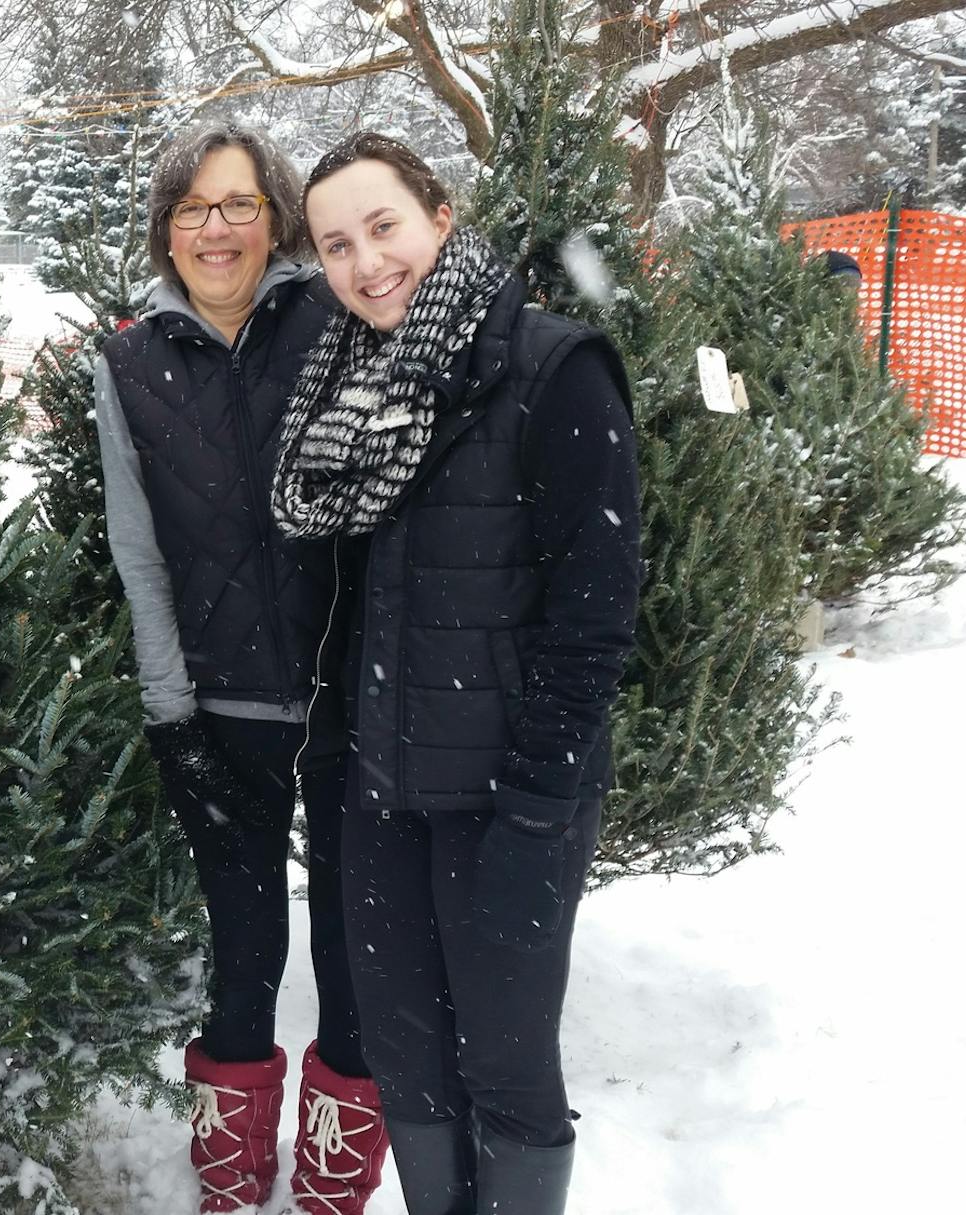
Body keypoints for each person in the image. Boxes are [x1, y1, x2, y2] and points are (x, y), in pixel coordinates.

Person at [273, 132, 641, 1215]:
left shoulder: (554, 370)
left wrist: (537, 809)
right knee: (410, 1061)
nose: (365, 262)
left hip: (510, 800)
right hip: (380, 793)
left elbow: (594, 617)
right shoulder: (343, 392)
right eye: (336, 245)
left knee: (505, 1065)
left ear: (440, 214)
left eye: (383, 226)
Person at [94, 120, 389, 1215]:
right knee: (244, 939)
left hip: (349, 702)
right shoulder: (129, 363)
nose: (215, 229)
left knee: (355, 938)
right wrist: (171, 716)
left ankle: (336, 1166)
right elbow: (139, 553)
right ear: (166, 228)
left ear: (276, 218)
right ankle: (231, 1162)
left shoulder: (336, 321)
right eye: (192, 208)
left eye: (239, 205)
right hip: (222, 706)